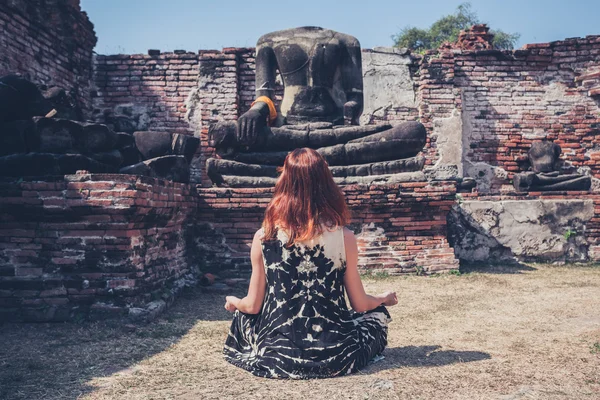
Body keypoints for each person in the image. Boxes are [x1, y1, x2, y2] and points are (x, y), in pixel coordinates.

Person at [223, 147, 398, 379]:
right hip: (337, 357)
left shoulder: (264, 237)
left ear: (284, 182)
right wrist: (383, 298)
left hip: (278, 358)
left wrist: (234, 301)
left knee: (242, 315)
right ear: (326, 183)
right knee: (376, 315)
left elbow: (253, 306)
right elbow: (360, 305)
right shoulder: (344, 237)